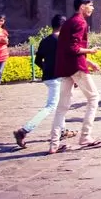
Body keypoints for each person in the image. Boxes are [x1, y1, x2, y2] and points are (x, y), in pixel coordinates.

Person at [48, 0, 101, 154]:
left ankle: (54, 143)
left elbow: (68, 48)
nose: (92, 8)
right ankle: (85, 136)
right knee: (93, 98)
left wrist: (89, 62)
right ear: (82, 6)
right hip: (75, 68)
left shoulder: (69, 22)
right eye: (90, 5)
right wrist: (90, 51)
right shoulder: (80, 22)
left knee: (62, 107)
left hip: (65, 68)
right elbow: (73, 48)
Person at [14, 14, 75, 148]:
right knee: (52, 106)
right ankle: (24, 130)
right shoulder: (61, 41)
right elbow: (68, 61)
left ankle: (63, 131)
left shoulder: (45, 40)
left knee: (60, 105)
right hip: (57, 77)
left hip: (48, 77)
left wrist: (47, 69)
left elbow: (37, 60)